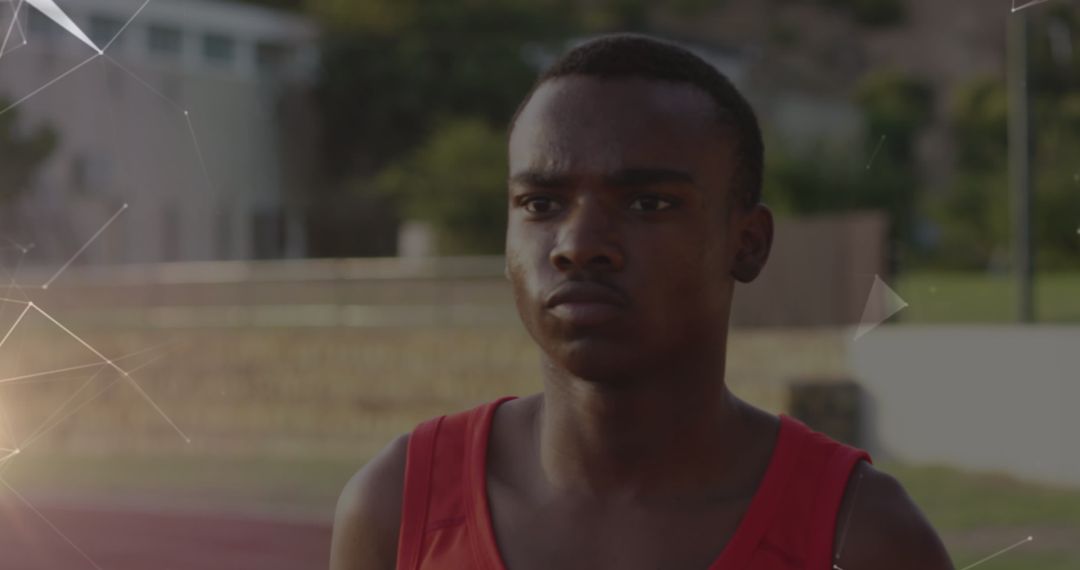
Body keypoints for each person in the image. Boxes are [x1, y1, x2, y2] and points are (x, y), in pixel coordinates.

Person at [330, 34, 953, 570]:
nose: (577, 245)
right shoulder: (398, 509)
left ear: (749, 243)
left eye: (647, 203)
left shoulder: (863, 537)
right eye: (540, 204)